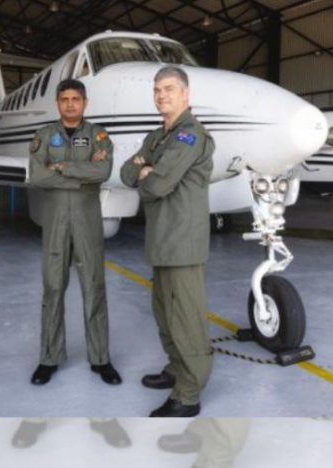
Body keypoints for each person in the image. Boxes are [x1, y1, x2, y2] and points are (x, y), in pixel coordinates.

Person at [120, 65, 215, 417]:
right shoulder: (158, 136)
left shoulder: (190, 135)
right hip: (161, 238)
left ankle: (188, 395)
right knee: (164, 314)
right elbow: (126, 172)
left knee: (185, 318)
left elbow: (157, 184)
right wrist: (145, 169)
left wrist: (148, 170)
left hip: (182, 241)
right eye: (157, 89)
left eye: (170, 89)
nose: (162, 95)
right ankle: (176, 369)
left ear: (185, 94)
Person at [27, 78, 121, 386]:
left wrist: (62, 168)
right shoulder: (44, 136)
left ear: (84, 103)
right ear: (58, 103)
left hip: (87, 221)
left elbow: (103, 172)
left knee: (94, 287)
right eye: (64, 99)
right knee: (53, 288)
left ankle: (100, 358)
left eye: (75, 99)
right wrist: (81, 174)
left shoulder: (99, 136)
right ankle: (49, 358)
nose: (70, 104)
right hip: (55, 221)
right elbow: (38, 176)